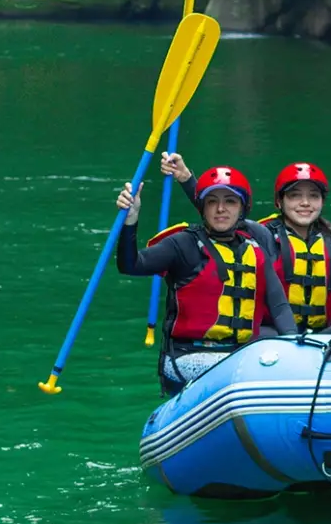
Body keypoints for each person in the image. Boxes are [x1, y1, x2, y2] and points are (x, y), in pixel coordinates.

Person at [116, 164, 300, 395]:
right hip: (186, 357)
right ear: (202, 207)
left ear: (242, 208)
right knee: (245, 371)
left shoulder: (256, 251)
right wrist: (130, 220)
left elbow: (280, 308)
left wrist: (296, 351)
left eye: (230, 202)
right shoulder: (182, 244)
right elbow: (131, 265)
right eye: (212, 201)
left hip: (241, 354)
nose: (221, 209)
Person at [163, 157, 331, 335]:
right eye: (295, 196)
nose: (305, 203)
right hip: (275, 334)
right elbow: (221, 214)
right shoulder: (264, 235)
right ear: (280, 202)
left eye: (313, 196)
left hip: (324, 335)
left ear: (322, 202)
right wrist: (186, 178)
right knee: (258, 334)